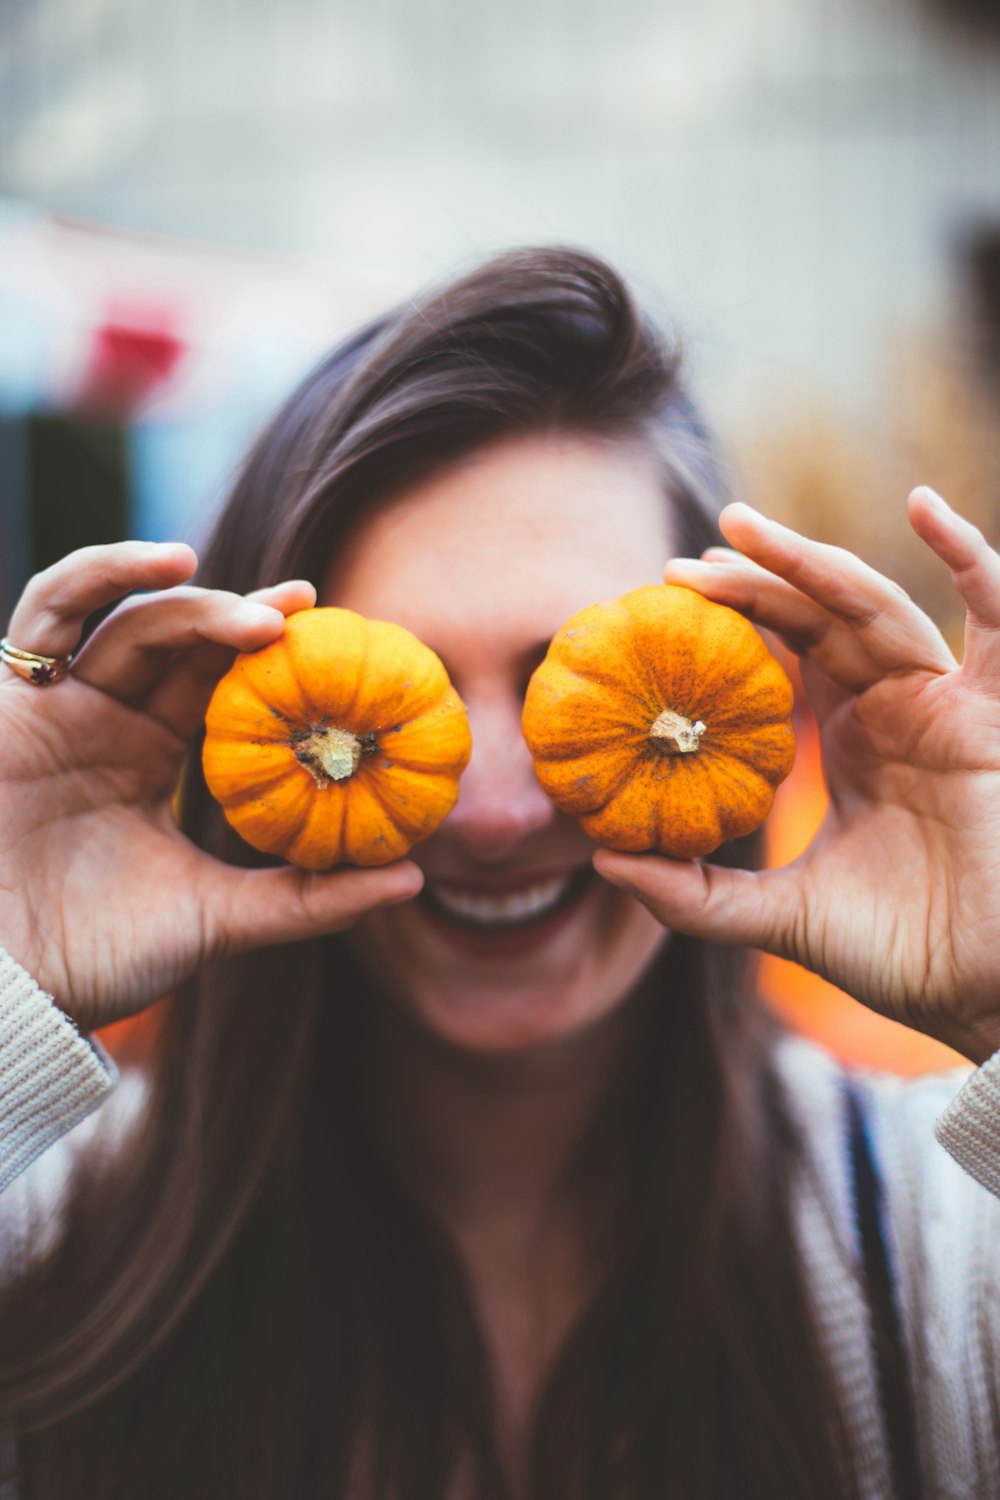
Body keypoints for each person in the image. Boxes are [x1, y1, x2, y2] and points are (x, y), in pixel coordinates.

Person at [1, 245, 999, 1500]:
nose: (489, 811)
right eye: (395, 696)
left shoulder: (944, 1243)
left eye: (570, 687)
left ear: (739, 690)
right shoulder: (46, 1247)